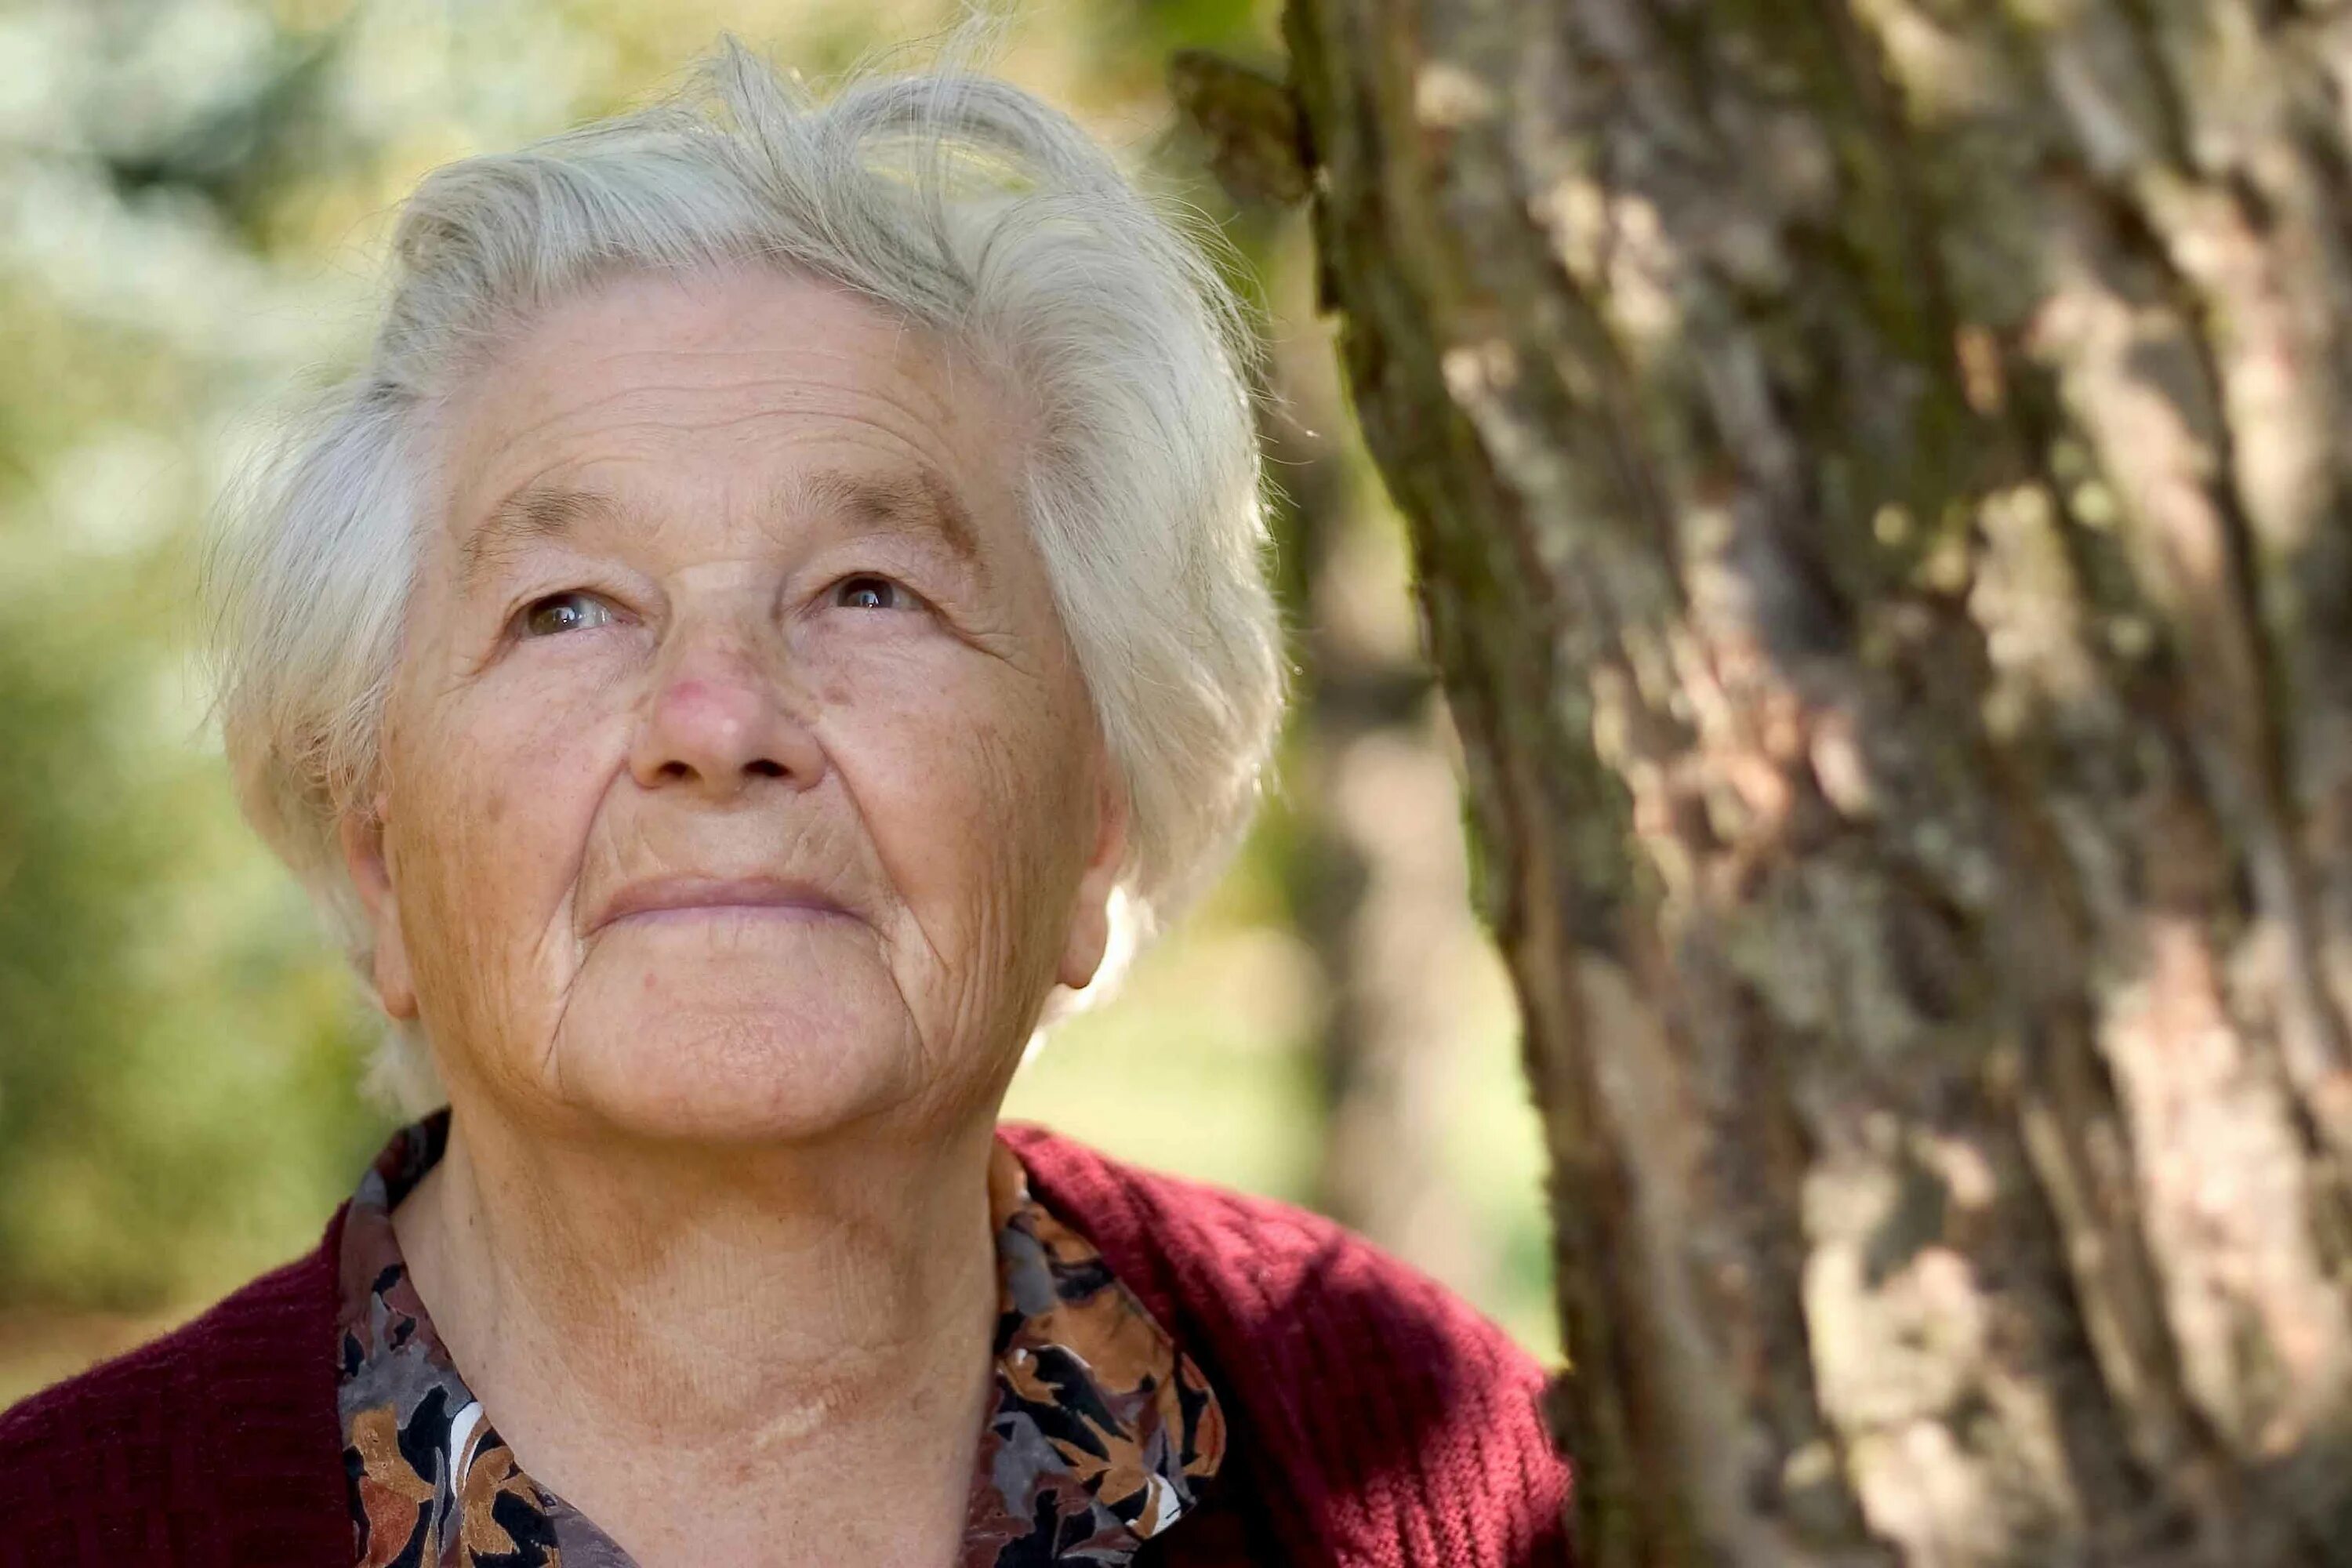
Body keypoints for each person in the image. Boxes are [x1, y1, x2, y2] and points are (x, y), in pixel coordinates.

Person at [0, 40, 1570, 1568]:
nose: (717, 718)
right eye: (567, 608)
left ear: (1092, 821)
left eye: (870, 590)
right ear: (378, 851)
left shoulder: (1447, 1480)